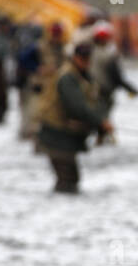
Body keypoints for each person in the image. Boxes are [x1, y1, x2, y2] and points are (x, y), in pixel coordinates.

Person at [36, 40, 112, 194]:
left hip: (66, 138)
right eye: (82, 58)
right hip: (57, 137)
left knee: (71, 181)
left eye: (88, 58)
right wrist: (100, 122)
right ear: (75, 57)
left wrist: (101, 121)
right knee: (67, 183)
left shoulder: (83, 76)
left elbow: (94, 101)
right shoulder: (67, 77)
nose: (85, 61)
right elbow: (77, 108)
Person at [88, 21, 138, 122]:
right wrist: (132, 90)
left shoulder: (89, 51)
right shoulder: (110, 55)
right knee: (103, 121)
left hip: (90, 92)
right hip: (104, 94)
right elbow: (117, 78)